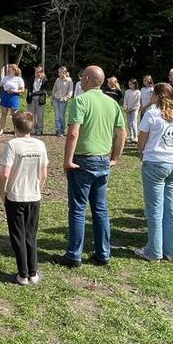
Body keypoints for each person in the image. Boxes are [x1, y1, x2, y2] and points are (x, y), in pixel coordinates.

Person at [61, 66, 126, 267]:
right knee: (100, 209)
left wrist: (67, 160)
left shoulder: (80, 101)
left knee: (78, 209)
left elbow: (73, 133)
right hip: (102, 159)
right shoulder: (111, 103)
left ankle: (74, 255)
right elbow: (121, 133)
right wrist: (114, 157)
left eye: (82, 76)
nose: (80, 79)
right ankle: (103, 253)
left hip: (82, 160)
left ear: (87, 79)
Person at [134, 83, 173, 261]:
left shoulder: (151, 114)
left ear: (155, 95)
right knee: (172, 208)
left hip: (155, 162)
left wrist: (142, 154)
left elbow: (142, 140)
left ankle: (154, 250)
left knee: (154, 208)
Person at [0, 111, 48, 285]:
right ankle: (33, 273)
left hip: (15, 195)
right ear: (32, 126)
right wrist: (38, 188)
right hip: (34, 196)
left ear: (14, 127)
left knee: (17, 235)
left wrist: (2, 191)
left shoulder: (13, 144)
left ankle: (22, 274)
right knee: (31, 234)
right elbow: (44, 173)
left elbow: (5, 173)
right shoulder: (40, 145)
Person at [0, 64, 25, 135]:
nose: (8, 70)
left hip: (14, 96)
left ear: (14, 70)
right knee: (3, 113)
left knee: (14, 115)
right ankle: (1, 130)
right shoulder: (5, 78)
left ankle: (15, 130)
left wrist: (14, 91)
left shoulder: (19, 79)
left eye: (10, 69)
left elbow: (22, 90)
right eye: (8, 69)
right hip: (5, 95)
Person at [51, 66, 74, 136]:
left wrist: (65, 98)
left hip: (63, 101)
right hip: (56, 99)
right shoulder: (57, 80)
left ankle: (62, 130)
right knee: (57, 116)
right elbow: (54, 89)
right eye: (58, 72)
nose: (59, 74)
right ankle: (58, 130)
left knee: (61, 116)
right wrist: (53, 97)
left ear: (65, 72)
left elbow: (70, 92)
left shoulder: (69, 81)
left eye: (60, 72)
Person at [27, 66, 47, 136]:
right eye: (35, 72)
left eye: (38, 72)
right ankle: (32, 129)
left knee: (40, 115)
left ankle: (39, 129)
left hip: (40, 99)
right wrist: (29, 97)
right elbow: (29, 89)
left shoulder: (44, 80)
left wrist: (33, 93)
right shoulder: (31, 79)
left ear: (42, 73)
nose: (36, 73)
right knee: (31, 115)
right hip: (31, 99)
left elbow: (43, 91)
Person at [122, 79, 141, 144]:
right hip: (128, 109)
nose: (129, 85)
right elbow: (125, 100)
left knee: (133, 122)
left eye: (131, 84)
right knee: (128, 123)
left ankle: (136, 136)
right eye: (129, 84)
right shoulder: (127, 91)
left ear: (135, 84)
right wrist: (125, 108)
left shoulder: (138, 92)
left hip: (134, 109)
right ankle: (131, 135)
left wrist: (132, 109)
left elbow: (137, 103)